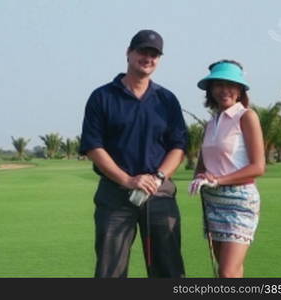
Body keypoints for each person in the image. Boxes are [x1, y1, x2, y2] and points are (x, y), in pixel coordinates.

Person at [79, 29, 188, 278]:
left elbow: (178, 146)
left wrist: (158, 177)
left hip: (159, 193)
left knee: (168, 270)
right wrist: (128, 180)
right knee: (110, 272)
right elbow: (94, 147)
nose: (148, 58)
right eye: (142, 51)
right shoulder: (102, 97)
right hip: (115, 195)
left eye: (154, 54)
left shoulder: (167, 99)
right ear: (128, 53)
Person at [190, 59, 265, 278]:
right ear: (211, 90)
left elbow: (258, 167)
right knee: (229, 271)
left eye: (231, 85)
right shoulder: (211, 123)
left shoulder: (247, 117)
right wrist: (202, 177)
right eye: (218, 85)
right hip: (213, 201)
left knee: (227, 273)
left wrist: (219, 180)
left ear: (240, 89)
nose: (225, 90)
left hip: (240, 201)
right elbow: (201, 167)